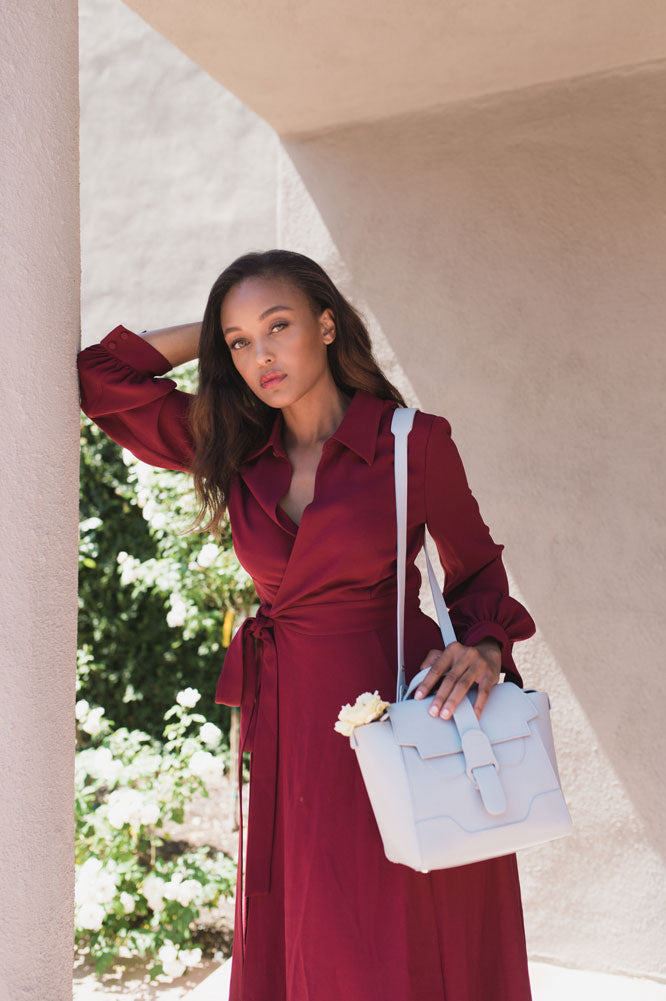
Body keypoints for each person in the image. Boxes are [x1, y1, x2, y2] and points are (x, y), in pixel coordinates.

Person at [76, 248, 537, 1001]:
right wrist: (212, 330)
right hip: (295, 720)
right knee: (317, 923)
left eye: (279, 326)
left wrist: (484, 645)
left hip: (401, 710)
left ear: (328, 325)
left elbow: (477, 570)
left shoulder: (412, 442)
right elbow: (101, 377)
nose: (261, 355)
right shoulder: (233, 444)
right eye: (240, 341)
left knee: (403, 921)